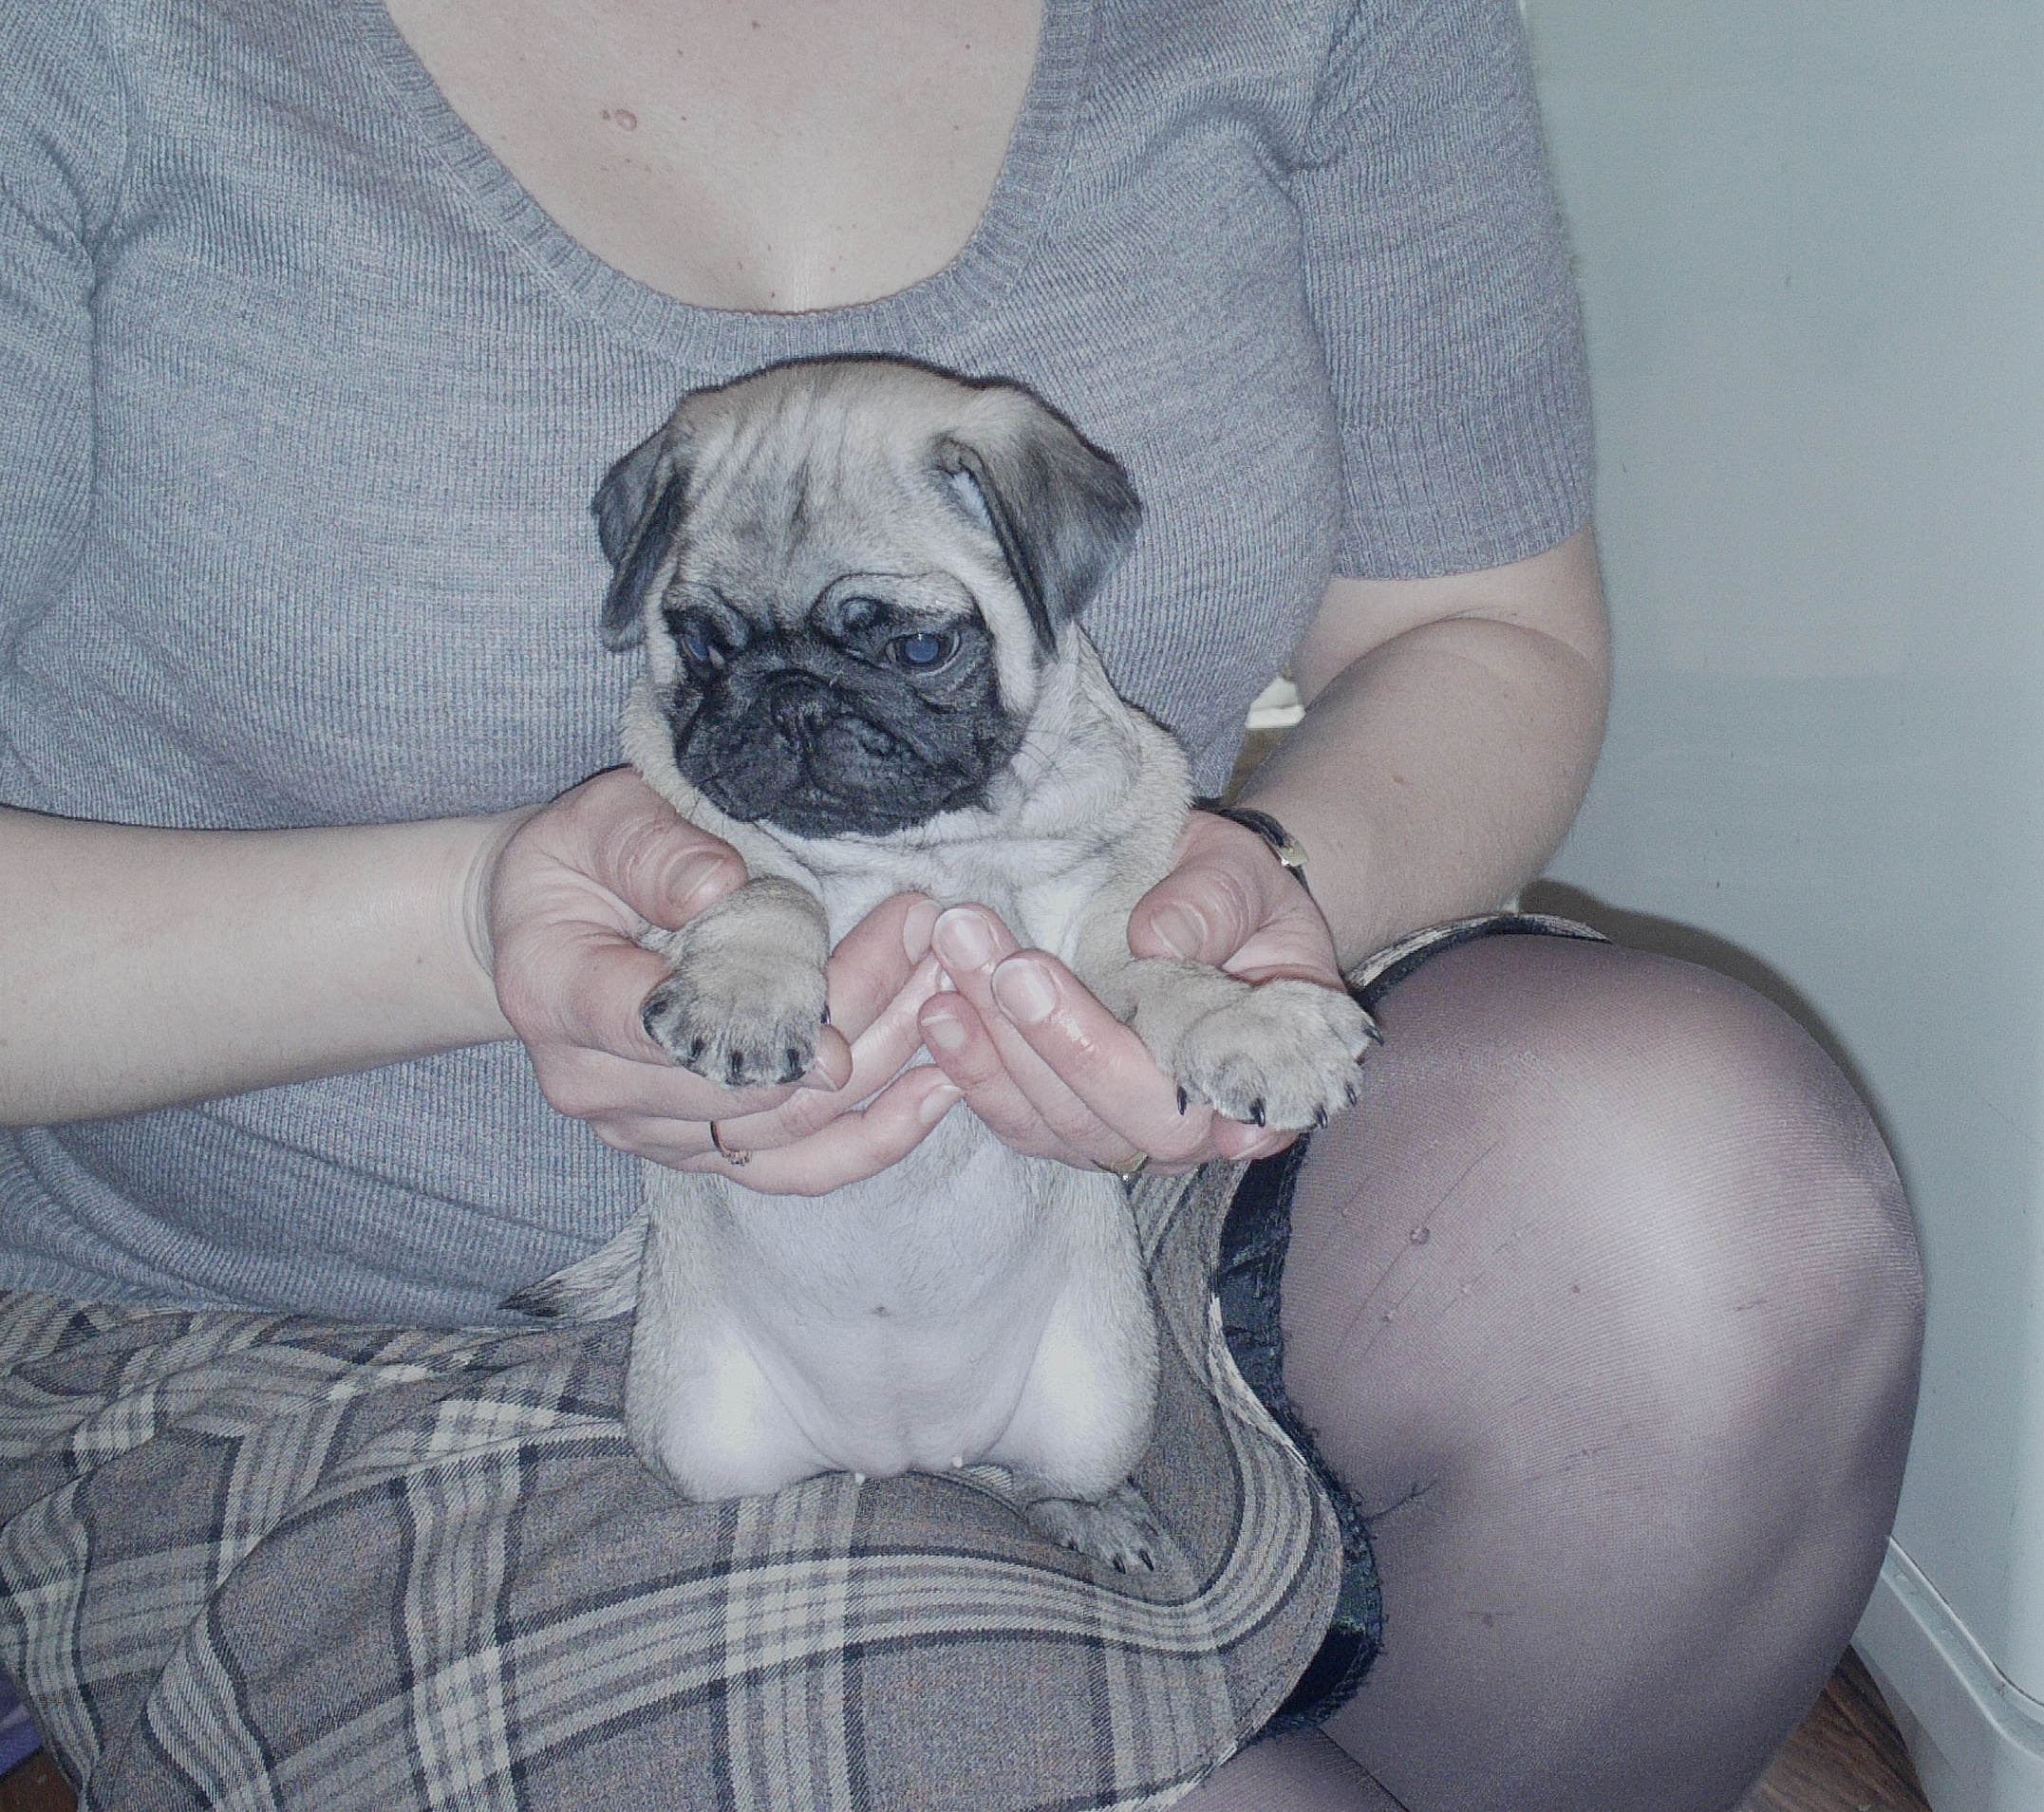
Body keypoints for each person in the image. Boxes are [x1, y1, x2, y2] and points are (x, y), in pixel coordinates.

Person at [0, 0, 1922, 1805]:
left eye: (897, 645)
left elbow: (1480, 629)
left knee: (1712, 1221)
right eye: (718, 651)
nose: (796, 712)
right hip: (297, 1305)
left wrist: (1242, 895)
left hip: (1097, 1168)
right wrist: (466, 924)